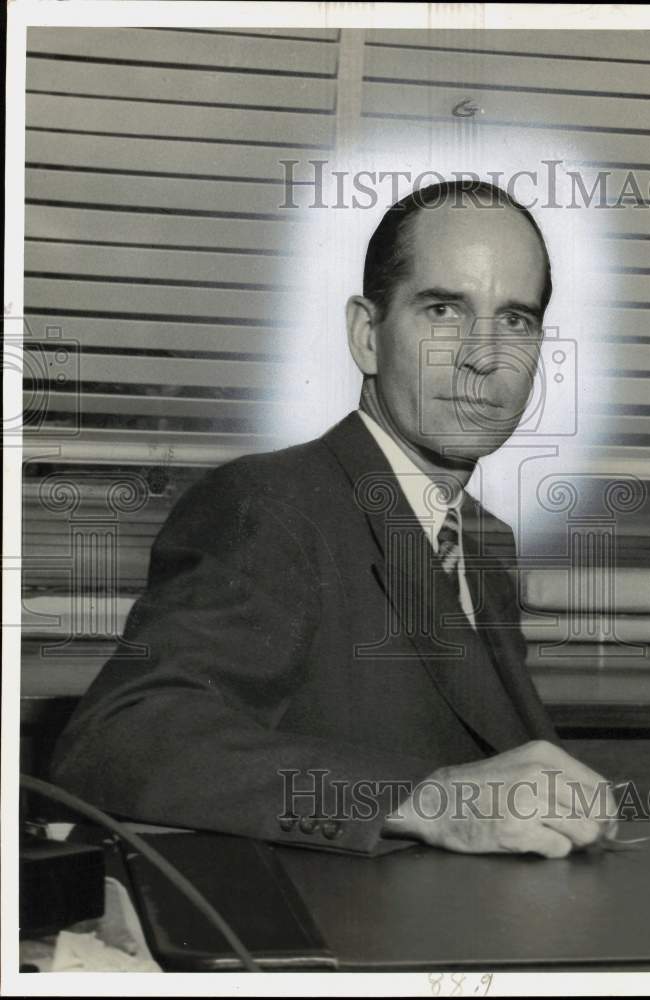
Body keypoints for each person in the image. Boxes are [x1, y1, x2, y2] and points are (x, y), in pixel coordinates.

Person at [51, 181, 615, 857]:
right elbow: (120, 741)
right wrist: (429, 797)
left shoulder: (482, 539)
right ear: (366, 335)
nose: (483, 355)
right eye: (443, 309)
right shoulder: (270, 506)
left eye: (516, 321)